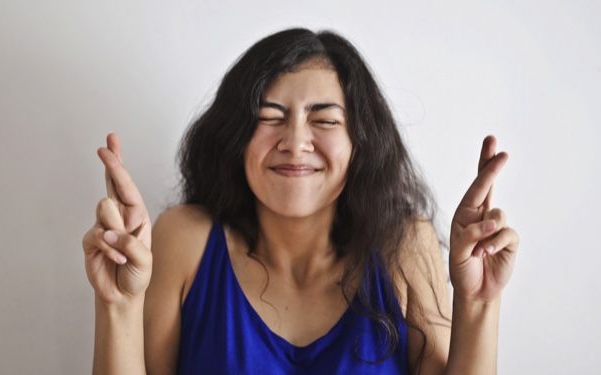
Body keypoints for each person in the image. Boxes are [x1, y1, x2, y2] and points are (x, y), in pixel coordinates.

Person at [81, 28, 520, 375]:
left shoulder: (403, 245)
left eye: (325, 119)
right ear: (235, 137)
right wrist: (117, 305)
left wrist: (479, 301)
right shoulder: (185, 239)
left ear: (360, 142)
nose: (295, 142)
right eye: (269, 118)